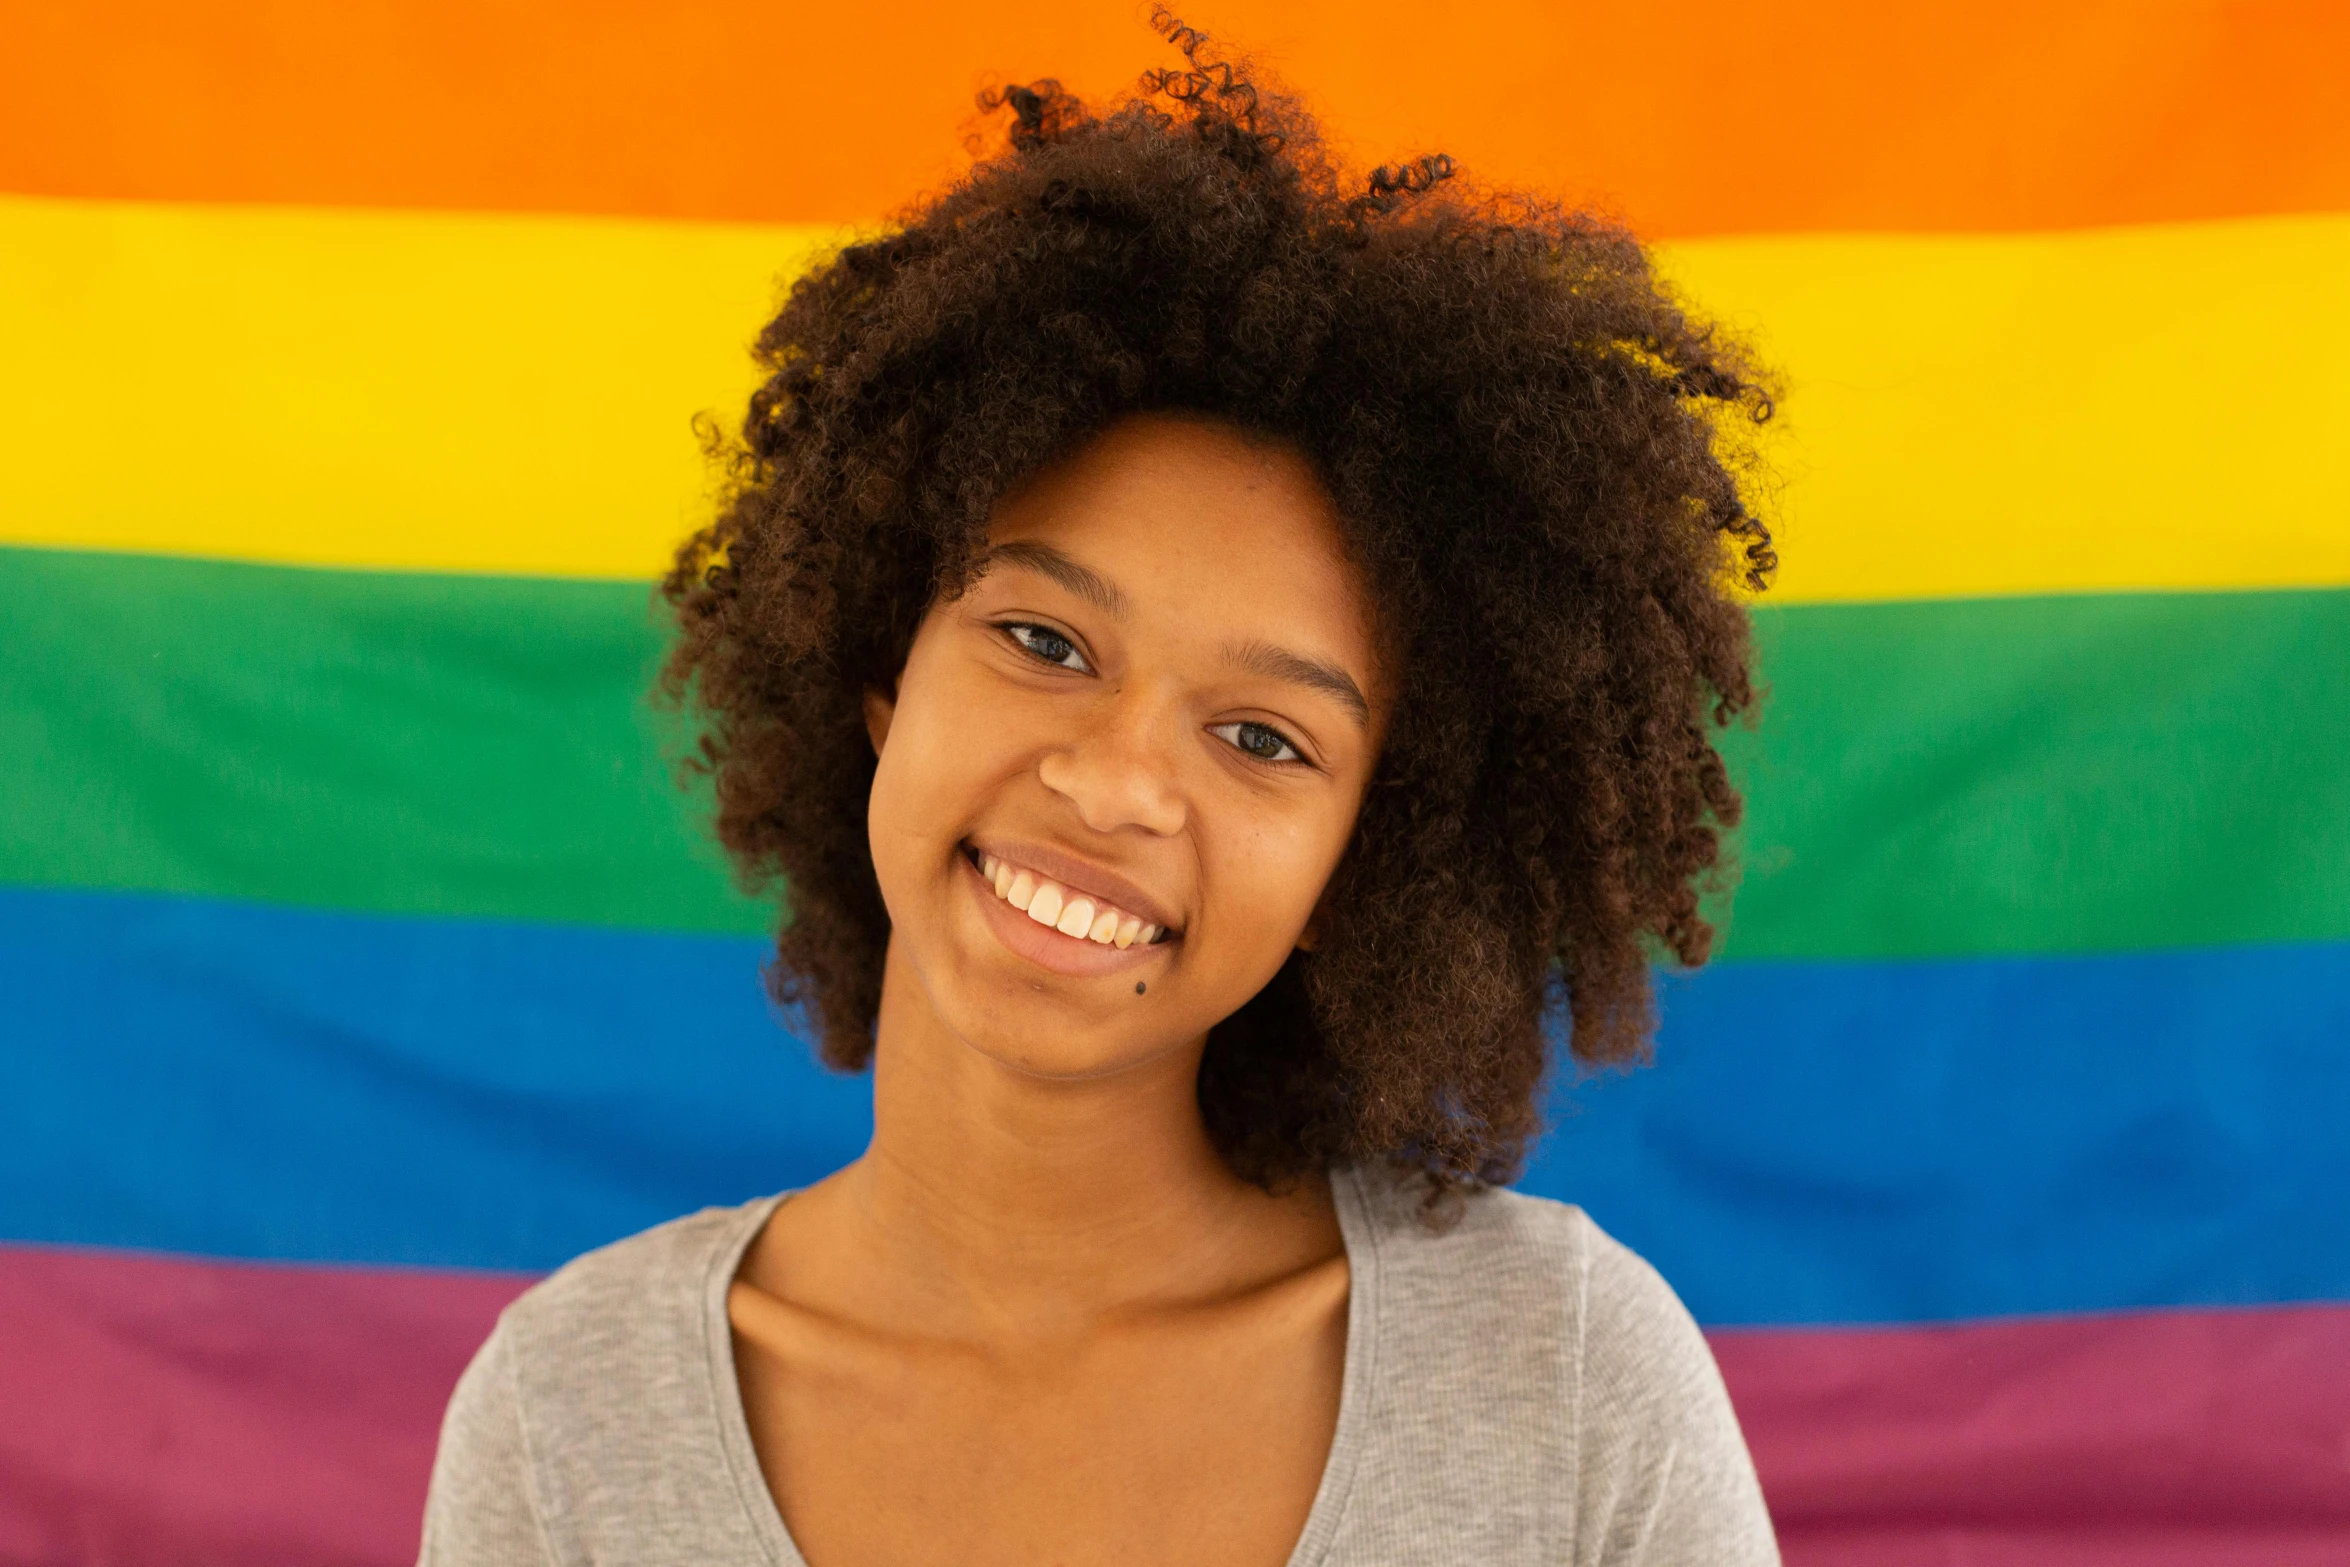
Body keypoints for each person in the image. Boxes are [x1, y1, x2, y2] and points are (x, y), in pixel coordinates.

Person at [420, 13, 1781, 1565]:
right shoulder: (574, 1409)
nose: (1115, 781)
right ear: (881, 668)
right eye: (1042, 638)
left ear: (1365, 868)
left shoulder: (1563, 1373)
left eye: (1265, 738)